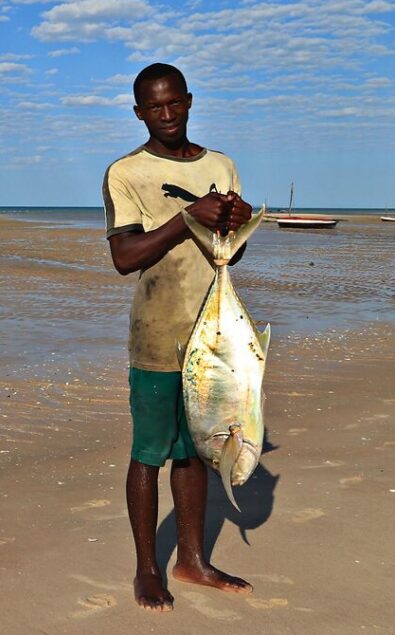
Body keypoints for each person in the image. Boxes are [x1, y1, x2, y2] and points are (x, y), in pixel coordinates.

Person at [102, 63, 254, 612]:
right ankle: (147, 569)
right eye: (154, 108)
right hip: (158, 335)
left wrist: (233, 223)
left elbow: (233, 252)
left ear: (189, 101)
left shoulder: (221, 165)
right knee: (149, 453)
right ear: (139, 112)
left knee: (196, 453)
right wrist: (188, 216)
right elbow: (124, 258)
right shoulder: (126, 173)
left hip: (215, 337)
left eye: (175, 104)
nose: (167, 116)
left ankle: (191, 559)